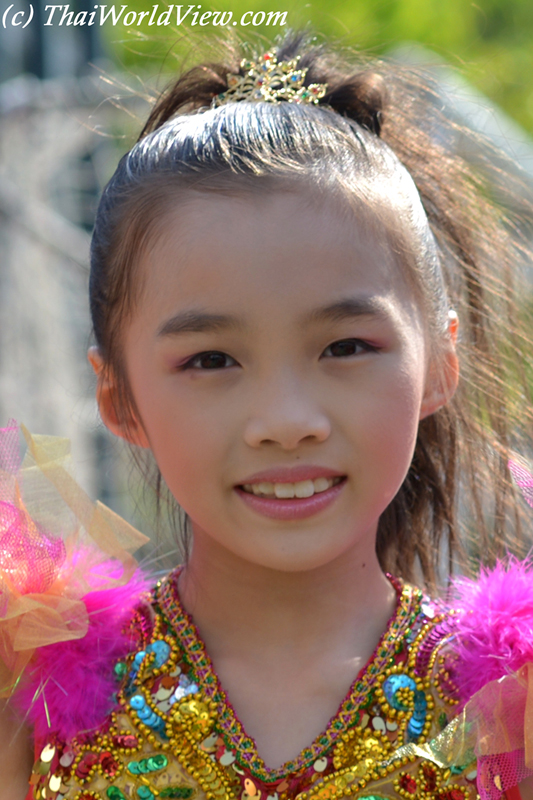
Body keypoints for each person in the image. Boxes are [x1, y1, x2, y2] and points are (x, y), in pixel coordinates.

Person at [0, 30, 532, 800]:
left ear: (438, 364)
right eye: (212, 361)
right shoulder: (31, 694)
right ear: (119, 399)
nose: (285, 420)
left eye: (345, 346)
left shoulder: (509, 706)